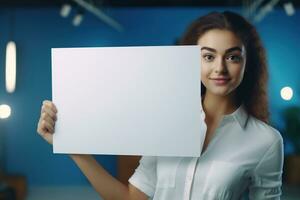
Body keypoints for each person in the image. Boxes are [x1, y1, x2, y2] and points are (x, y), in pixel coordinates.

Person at [37, 11, 283, 199]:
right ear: (192, 60)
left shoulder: (266, 142)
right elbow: (131, 197)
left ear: (248, 62)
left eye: (232, 57)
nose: (219, 68)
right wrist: (72, 147)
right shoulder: (166, 120)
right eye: (208, 56)